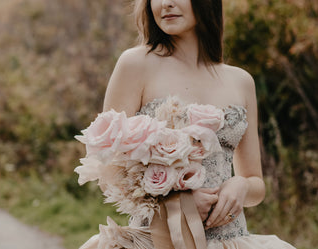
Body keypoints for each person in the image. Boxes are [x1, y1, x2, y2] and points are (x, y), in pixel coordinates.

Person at [79, 0, 296, 248]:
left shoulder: (241, 81)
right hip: (155, 241)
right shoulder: (135, 64)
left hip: (230, 240)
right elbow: (106, 171)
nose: (166, 3)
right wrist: (178, 202)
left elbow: (256, 184)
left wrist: (241, 185)